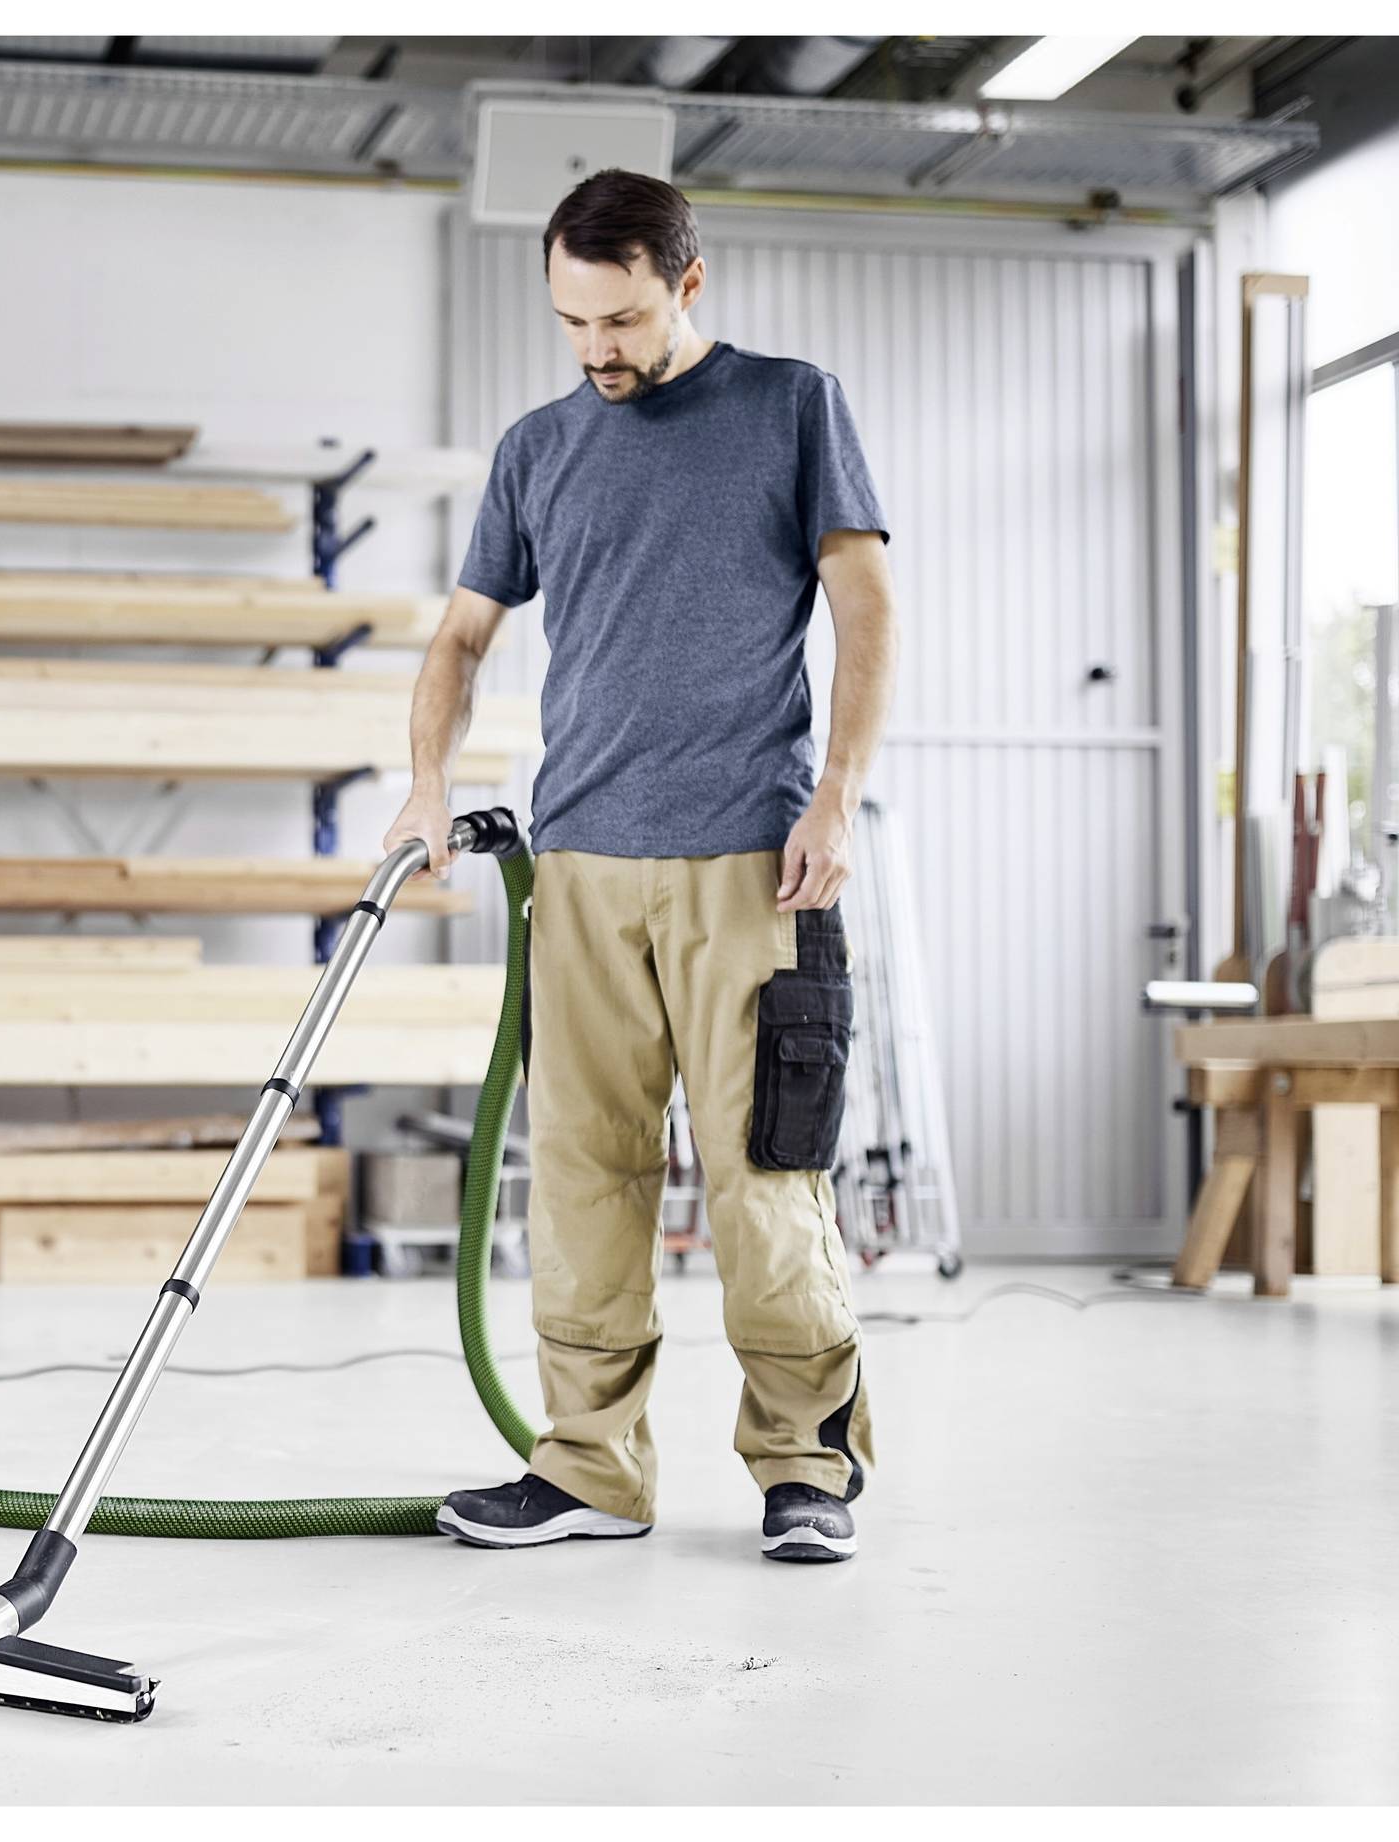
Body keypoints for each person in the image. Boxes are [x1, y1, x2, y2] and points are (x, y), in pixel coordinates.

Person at [383, 169, 898, 1564]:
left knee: (764, 1181)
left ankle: (806, 1465)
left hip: (754, 865)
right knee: (584, 1182)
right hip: (583, 871)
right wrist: (428, 783)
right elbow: (461, 639)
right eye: (572, 321)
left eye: (620, 319)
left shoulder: (791, 407)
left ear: (688, 283)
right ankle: (590, 1468)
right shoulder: (538, 448)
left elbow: (865, 607)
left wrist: (838, 794)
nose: (596, 348)